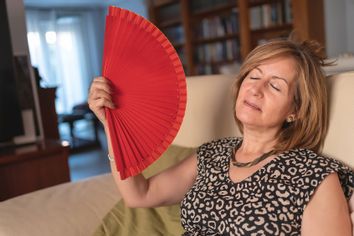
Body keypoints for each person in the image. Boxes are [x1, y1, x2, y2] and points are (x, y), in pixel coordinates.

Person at [88, 37, 354, 235]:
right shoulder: (212, 153)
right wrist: (111, 122)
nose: (256, 90)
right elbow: (139, 195)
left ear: (295, 111)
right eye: (253, 76)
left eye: (275, 85)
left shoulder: (312, 175)